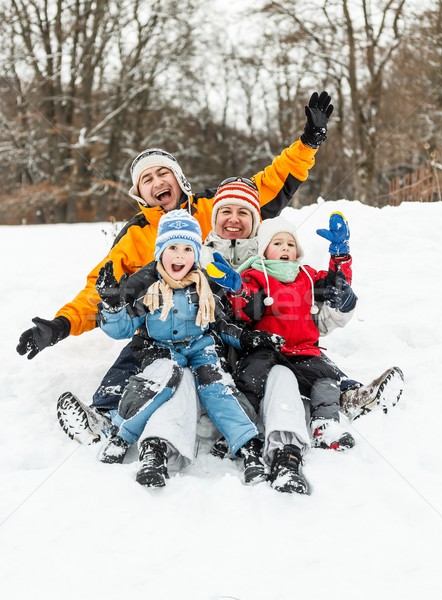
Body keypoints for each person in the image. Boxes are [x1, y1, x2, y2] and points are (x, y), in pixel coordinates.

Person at [14, 90, 334, 445]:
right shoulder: (137, 235)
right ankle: (102, 415)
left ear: (179, 180)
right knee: (135, 353)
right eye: (147, 179)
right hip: (162, 324)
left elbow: (266, 185)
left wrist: (307, 144)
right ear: (140, 194)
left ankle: (313, 400)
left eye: (163, 173)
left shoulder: (211, 206)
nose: (157, 182)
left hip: (222, 318)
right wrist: (61, 325)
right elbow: (101, 289)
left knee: (275, 345)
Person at [95, 209, 276, 487]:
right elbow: (122, 329)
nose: (179, 256)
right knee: (160, 383)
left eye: (187, 248)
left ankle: (249, 447)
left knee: (217, 387)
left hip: (200, 349)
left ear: (196, 253)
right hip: (161, 350)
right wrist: (111, 306)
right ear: (160, 251)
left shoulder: (205, 285)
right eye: (172, 248)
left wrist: (247, 339)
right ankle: (123, 434)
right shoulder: (148, 287)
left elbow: (221, 326)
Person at [206, 214, 361, 491]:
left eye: (290, 243)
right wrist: (237, 288)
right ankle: (237, 428)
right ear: (265, 249)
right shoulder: (254, 275)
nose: (286, 248)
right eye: (278, 243)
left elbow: (336, 286)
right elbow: (248, 308)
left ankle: (325, 424)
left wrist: (340, 257)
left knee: (326, 380)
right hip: (268, 347)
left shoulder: (307, 276)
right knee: (250, 380)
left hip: (303, 350)